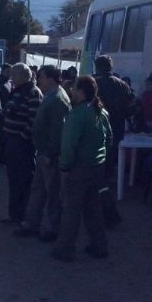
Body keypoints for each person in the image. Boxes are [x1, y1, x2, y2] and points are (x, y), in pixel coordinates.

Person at [53, 76, 111, 262]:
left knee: (71, 209)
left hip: (79, 169)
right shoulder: (101, 112)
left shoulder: (77, 114)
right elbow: (109, 139)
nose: (71, 91)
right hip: (98, 168)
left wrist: (64, 167)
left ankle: (64, 249)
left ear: (81, 91)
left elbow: (68, 144)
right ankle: (99, 246)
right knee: (94, 209)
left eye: (75, 88)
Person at [15, 65, 71, 242]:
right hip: (43, 152)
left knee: (52, 192)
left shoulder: (58, 99)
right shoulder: (51, 95)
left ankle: (52, 229)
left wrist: (50, 153)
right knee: (38, 189)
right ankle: (32, 224)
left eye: (42, 77)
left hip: (49, 154)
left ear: (51, 78)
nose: (39, 80)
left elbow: (58, 130)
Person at [0, 63, 43, 224]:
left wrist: (23, 137)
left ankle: (24, 216)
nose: (12, 78)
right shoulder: (17, 91)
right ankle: (14, 215)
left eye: (15, 75)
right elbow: (8, 112)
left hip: (23, 145)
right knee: (13, 180)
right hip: (11, 142)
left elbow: (34, 120)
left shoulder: (33, 92)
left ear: (24, 76)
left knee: (23, 181)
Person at [93, 56, 133, 225]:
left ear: (97, 66)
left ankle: (104, 212)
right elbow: (132, 108)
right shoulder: (123, 85)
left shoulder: (94, 83)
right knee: (107, 171)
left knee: (96, 173)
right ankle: (107, 210)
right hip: (116, 131)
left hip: (96, 132)